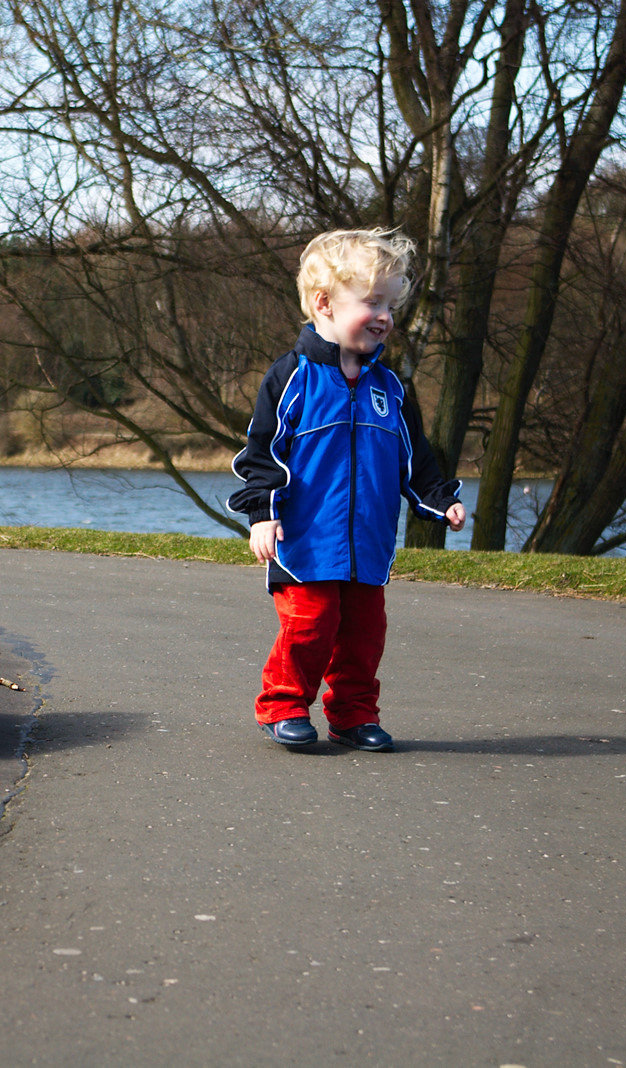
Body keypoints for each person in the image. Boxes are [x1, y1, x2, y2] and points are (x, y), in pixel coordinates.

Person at [228, 227, 466, 751]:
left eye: (390, 305)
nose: (384, 316)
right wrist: (263, 513)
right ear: (324, 304)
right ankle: (283, 706)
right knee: (311, 624)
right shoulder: (292, 378)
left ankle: (354, 715)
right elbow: (262, 454)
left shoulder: (390, 388)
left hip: (367, 544)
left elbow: (415, 458)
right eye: (372, 302)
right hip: (303, 542)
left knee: (364, 634)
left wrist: (440, 498)